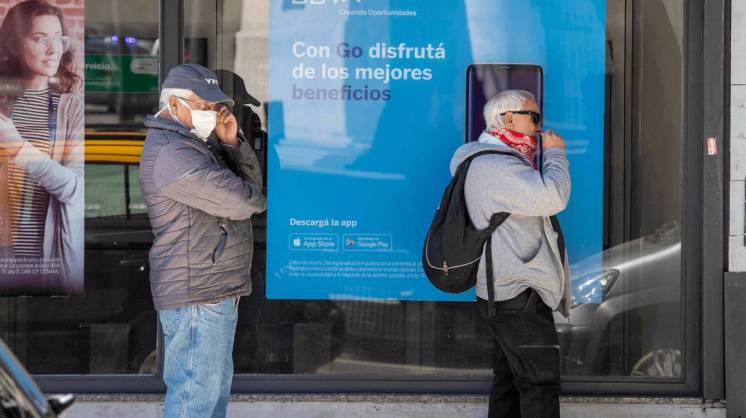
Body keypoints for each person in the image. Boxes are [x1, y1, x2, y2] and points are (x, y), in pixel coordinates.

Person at [138, 64, 266, 417]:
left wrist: (232, 143)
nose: (212, 113)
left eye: (214, 106)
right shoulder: (173, 153)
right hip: (198, 293)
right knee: (194, 398)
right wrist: (233, 162)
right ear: (175, 105)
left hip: (212, 288)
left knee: (212, 395)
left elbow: (251, 189)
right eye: (204, 105)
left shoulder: (195, 144)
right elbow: (248, 201)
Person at [450, 90, 571, 417]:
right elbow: (553, 197)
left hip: (508, 289)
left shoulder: (495, 161)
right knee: (540, 384)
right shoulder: (495, 166)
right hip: (518, 291)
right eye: (532, 117)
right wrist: (556, 154)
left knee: (510, 381)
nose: (537, 125)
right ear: (506, 119)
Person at [0, 0, 84, 293]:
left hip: (48, 261)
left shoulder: (72, 108)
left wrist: (17, 147)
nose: (53, 49)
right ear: (13, 45)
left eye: (57, 38)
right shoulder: (3, 107)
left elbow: (75, 188)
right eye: (39, 38)